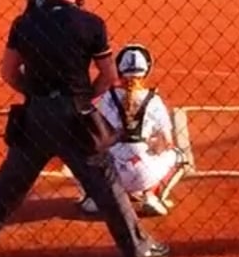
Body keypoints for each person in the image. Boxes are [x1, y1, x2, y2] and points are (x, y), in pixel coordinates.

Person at [0, 0, 168, 257]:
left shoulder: (25, 23)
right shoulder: (91, 23)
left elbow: (8, 72)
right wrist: (86, 96)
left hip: (36, 115)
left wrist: (34, 94)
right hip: (75, 115)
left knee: (11, 180)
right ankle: (136, 248)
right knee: (104, 183)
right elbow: (108, 75)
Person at [79, 43, 189, 217]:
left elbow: (98, 133)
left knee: (81, 154)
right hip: (146, 173)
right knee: (180, 157)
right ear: (147, 70)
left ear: (119, 70)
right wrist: (149, 145)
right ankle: (152, 197)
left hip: (112, 173)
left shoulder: (108, 97)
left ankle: (94, 197)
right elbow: (167, 143)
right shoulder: (154, 100)